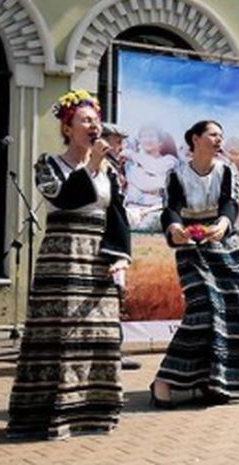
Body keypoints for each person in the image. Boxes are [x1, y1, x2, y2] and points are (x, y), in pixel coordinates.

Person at [7, 90, 130, 440]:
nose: (94, 127)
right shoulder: (48, 165)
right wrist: (92, 166)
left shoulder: (110, 169)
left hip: (98, 258)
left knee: (97, 335)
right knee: (62, 335)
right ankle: (50, 416)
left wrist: (120, 255)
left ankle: (93, 413)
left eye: (96, 121)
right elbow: (64, 197)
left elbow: (117, 215)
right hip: (63, 256)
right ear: (67, 127)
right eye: (85, 121)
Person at [151, 120, 239, 407]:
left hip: (223, 244)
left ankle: (217, 381)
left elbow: (230, 204)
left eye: (221, 135)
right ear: (195, 139)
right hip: (190, 246)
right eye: (213, 134)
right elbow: (170, 209)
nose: (219, 140)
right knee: (205, 309)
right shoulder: (177, 174)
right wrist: (175, 228)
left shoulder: (227, 172)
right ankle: (165, 379)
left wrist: (223, 224)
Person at [100, 122, 142, 372]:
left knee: (116, 294)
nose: (121, 145)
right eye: (117, 140)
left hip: (116, 235)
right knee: (109, 293)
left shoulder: (117, 165)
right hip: (106, 238)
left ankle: (114, 350)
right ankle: (109, 351)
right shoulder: (101, 164)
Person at [124, 123, 178, 230]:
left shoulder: (169, 161)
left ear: (160, 141)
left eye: (151, 136)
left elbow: (155, 179)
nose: (147, 140)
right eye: (144, 136)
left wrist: (133, 155)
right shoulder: (129, 164)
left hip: (155, 210)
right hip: (131, 210)